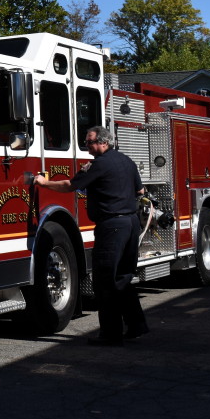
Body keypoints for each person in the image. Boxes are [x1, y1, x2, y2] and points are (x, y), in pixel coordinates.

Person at [34, 125, 147, 346]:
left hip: (112, 226)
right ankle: (136, 326)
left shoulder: (99, 165)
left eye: (89, 142)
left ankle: (110, 334)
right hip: (131, 224)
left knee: (105, 280)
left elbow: (69, 186)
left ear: (103, 142)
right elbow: (140, 192)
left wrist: (43, 182)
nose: (87, 146)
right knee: (123, 278)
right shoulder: (127, 161)